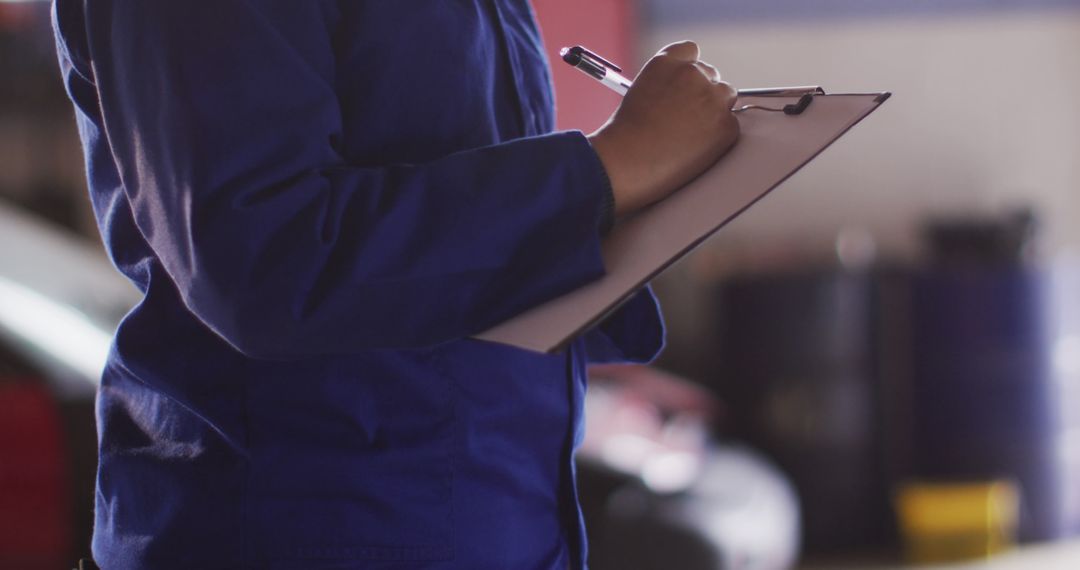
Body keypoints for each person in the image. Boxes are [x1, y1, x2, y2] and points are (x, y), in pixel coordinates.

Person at [52, 1, 739, 568]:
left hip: (491, 514)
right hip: (306, 523)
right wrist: (610, 168)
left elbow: (453, 244)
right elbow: (266, 263)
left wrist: (629, 192)